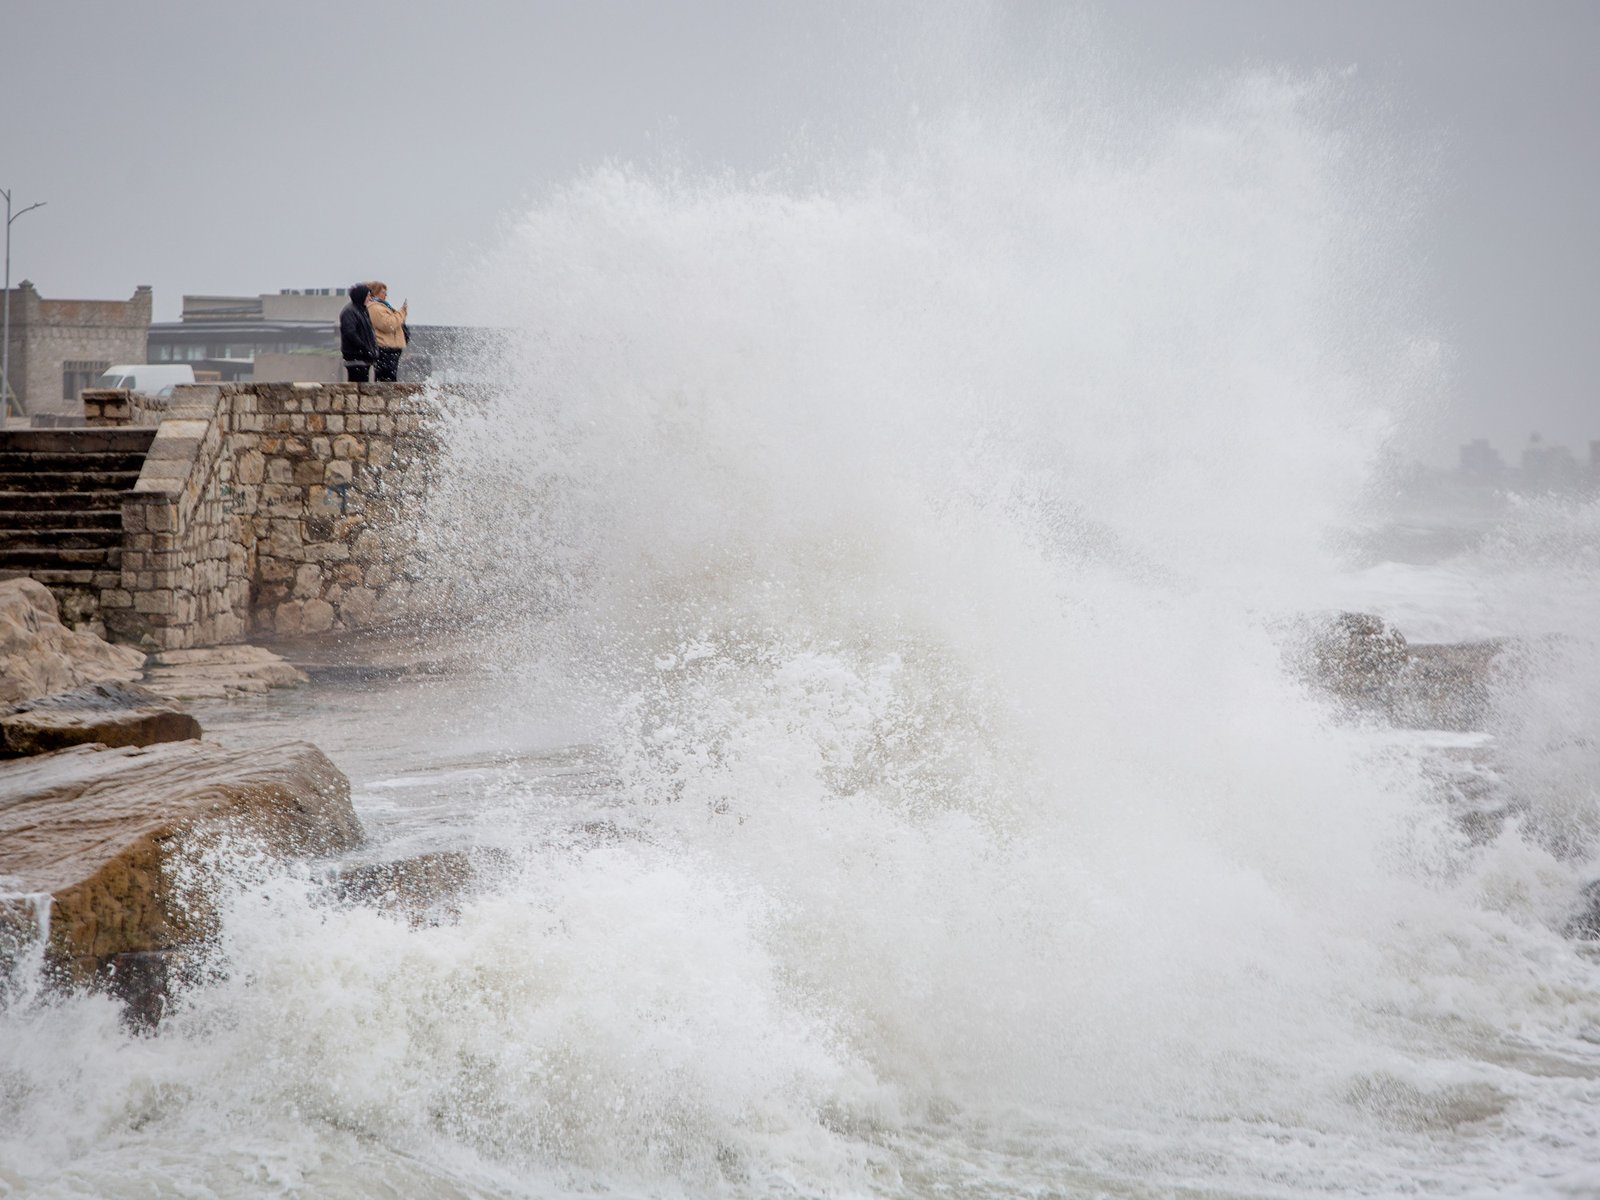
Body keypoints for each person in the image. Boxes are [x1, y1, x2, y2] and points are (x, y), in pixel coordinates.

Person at [366, 281, 409, 382]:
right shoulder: (375, 307)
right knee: (386, 377)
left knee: (390, 377)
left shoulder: (383, 306)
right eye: (383, 292)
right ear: (375, 292)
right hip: (385, 347)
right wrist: (402, 312)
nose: (386, 295)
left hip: (391, 348)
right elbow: (388, 325)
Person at [338, 283, 379, 382]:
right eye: (368, 296)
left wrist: (372, 350)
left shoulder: (362, 311)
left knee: (363, 383)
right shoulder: (350, 311)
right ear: (361, 296)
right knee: (357, 383)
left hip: (364, 358)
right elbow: (350, 333)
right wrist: (364, 348)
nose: (370, 298)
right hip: (356, 357)